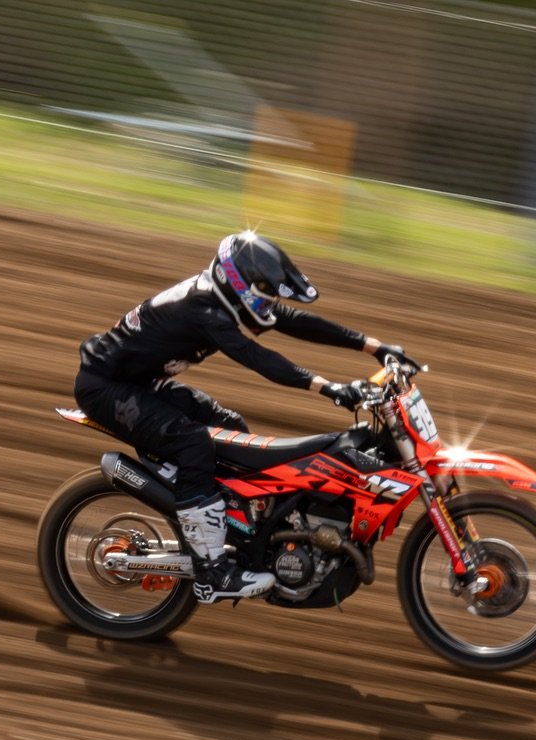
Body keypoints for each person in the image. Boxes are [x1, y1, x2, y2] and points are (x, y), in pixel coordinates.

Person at [74, 230, 419, 604]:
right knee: (193, 444)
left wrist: (373, 347)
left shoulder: (224, 298)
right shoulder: (202, 309)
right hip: (107, 388)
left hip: (142, 385)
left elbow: (291, 320)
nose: (269, 304)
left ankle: (237, 537)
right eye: (263, 294)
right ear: (238, 283)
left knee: (231, 430)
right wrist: (327, 387)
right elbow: (257, 358)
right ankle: (211, 571)